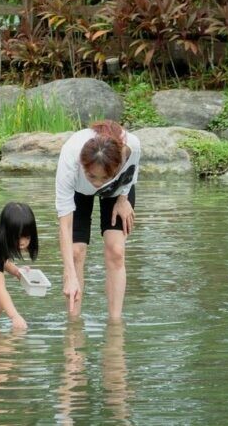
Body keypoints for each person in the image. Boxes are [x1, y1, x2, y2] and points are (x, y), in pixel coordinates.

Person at [55, 120, 140, 321]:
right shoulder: (70, 157)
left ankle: (115, 324)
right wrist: (69, 274)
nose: (97, 184)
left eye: (103, 178)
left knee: (116, 251)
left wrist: (123, 197)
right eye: (93, 177)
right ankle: (73, 324)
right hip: (78, 190)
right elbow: (65, 225)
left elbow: (133, 167)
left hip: (116, 191)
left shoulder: (131, 145)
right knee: (75, 254)